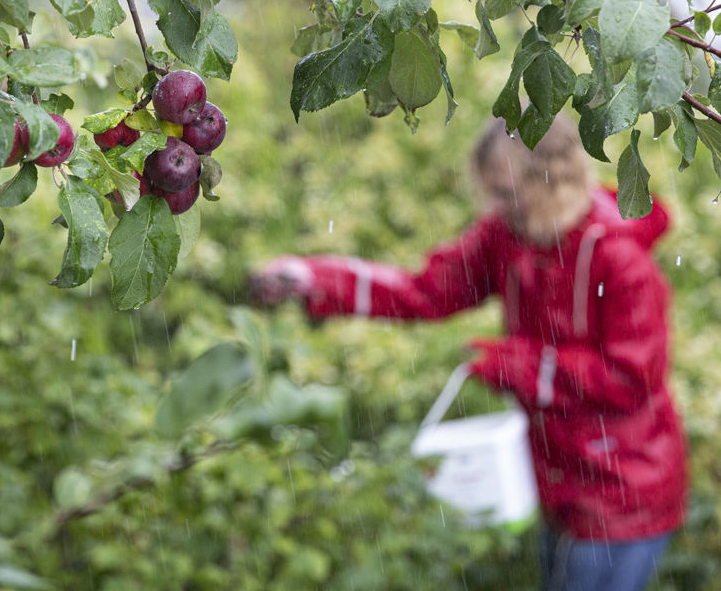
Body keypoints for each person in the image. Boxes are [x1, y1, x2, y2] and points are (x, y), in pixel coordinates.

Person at [251, 114, 688, 591]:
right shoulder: (512, 234)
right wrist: (316, 278)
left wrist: (523, 365)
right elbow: (424, 292)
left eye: (505, 192)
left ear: (552, 179)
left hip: (623, 488)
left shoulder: (618, 260)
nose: (497, 208)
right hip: (562, 478)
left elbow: (631, 378)